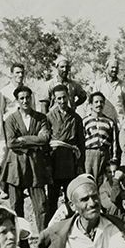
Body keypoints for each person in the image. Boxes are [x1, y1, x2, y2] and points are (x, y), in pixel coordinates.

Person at [1, 84, 51, 235]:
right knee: (16, 206)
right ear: (17, 100)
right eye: (21, 98)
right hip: (16, 165)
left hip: (36, 166)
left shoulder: (41, 118)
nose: (25, 101)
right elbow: (11, 142)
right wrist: (33, 142)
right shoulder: (10, 120)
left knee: (41, 205)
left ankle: (43, 238)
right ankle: (19, 239)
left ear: (32, 98)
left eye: (27, 98)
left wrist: (22, 139)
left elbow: (44, 138)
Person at [45, 83, 86, 221]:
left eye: (64, 98)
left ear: (68, 97)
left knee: (72, 196)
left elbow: (81, 144)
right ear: (54, 100)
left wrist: (80, 164)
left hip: (70, 162)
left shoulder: (76, 118)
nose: (62, 101)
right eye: (59, 99)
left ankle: (73, 223)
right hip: (54, 161)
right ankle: (51, 227)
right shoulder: (49, 117)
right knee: (52, 198)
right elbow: (46, 143)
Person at [83, 92, 118, 186]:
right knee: (89, 181)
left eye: (101, 102)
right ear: (91, 104)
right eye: (96, 102)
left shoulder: (109, 122)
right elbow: (81, 140)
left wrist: (113, 159)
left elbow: (114, 142)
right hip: (89, 155)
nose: (99, 104)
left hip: (104, 154)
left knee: (103, 182)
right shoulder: (85, 121)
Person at [90, 57, 125, 122]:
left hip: (120, 122)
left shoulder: (124, 86)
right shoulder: (99, 84)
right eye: (112, 67)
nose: (114, 70)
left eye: (116, 68)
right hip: (104, 121)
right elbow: (93, 103)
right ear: (106, 68)